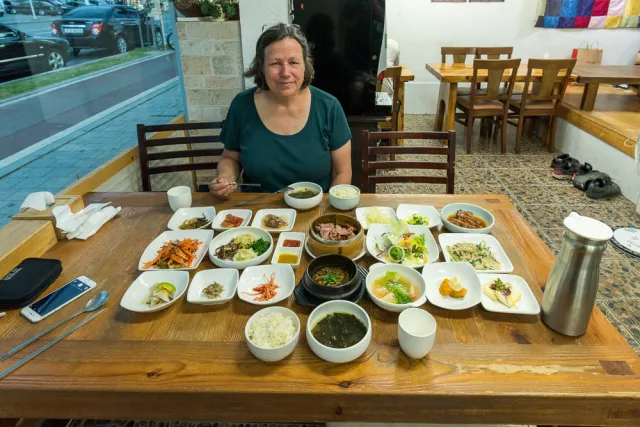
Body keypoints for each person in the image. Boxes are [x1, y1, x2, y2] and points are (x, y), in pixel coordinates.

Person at [209, 23, 353, 199]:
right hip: (257, 212)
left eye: (293, 62)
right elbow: (230, 158)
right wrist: (225, 178)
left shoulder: (329, 107)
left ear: (305, 65)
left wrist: (326, 212)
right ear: (261, 67)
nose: (286, 72)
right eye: (276, 63)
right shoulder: (242, 105)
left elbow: (342, 174)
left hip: (314, 210)